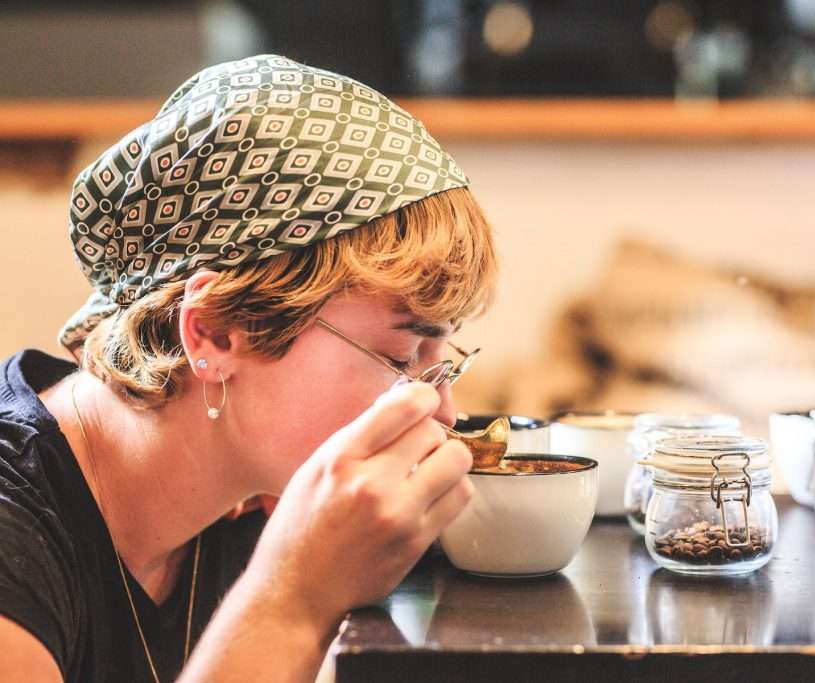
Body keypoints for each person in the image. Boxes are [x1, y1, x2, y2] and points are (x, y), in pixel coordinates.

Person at [0, 54, 497, 682]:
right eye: (400, 359)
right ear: (214, 331)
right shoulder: (15, 542)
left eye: (439, 364)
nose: (444, 413)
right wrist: (295, 597)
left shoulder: (241, 487)